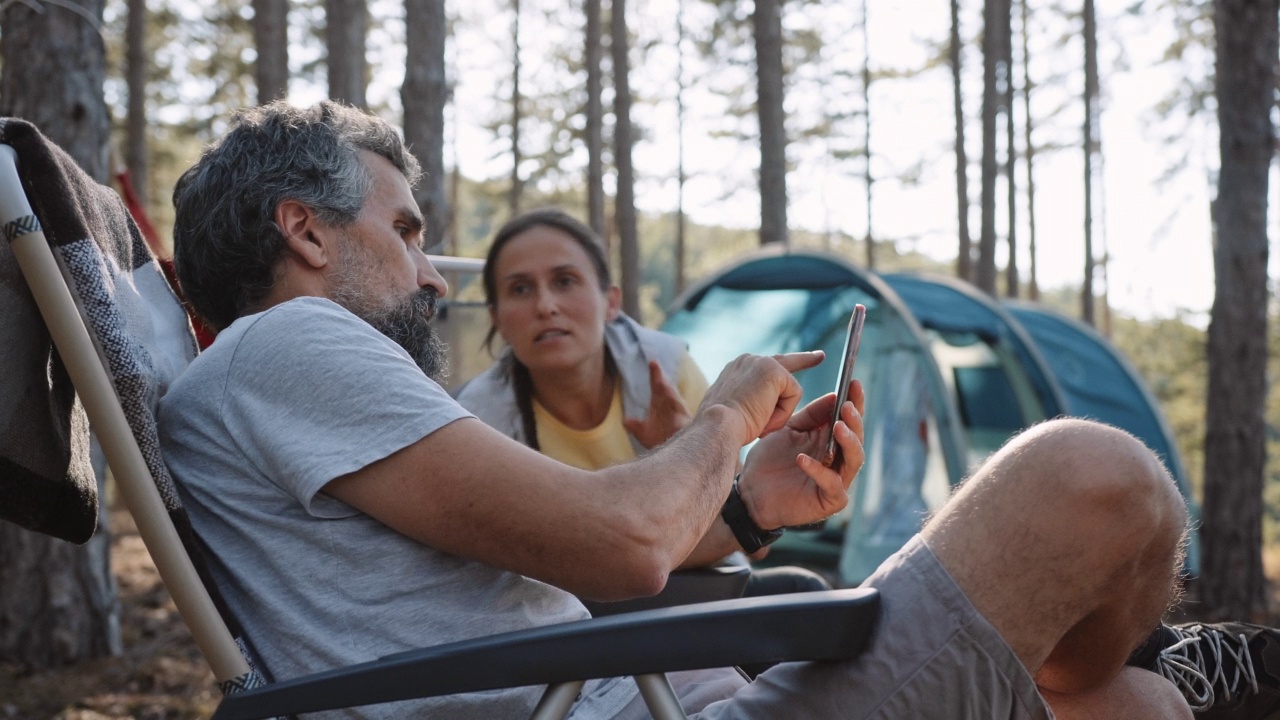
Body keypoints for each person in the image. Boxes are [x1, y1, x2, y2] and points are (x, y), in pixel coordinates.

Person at [156, 100, 1267, 720]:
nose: (434, 271)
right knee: (1093, 477)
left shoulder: (276, 381)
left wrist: (742, 507)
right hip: (632, 711)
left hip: (647, 691)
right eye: (404, 230)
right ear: (305, 232)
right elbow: (622, 542)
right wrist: (728, 407)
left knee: (1133, 712)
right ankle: (1151, 662)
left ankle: (1150, 673)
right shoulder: (292, 341)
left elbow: (570, 547)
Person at [455, 208, 830, 599]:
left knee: (811, 594)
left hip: (697, 592)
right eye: (520, 289)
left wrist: (686, 448)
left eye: (565, 281)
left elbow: (747, 532)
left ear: (611, 302)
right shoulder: (479, 419)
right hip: (557, 619)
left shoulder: (667, 368)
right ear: (496, 318)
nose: (545, 305)